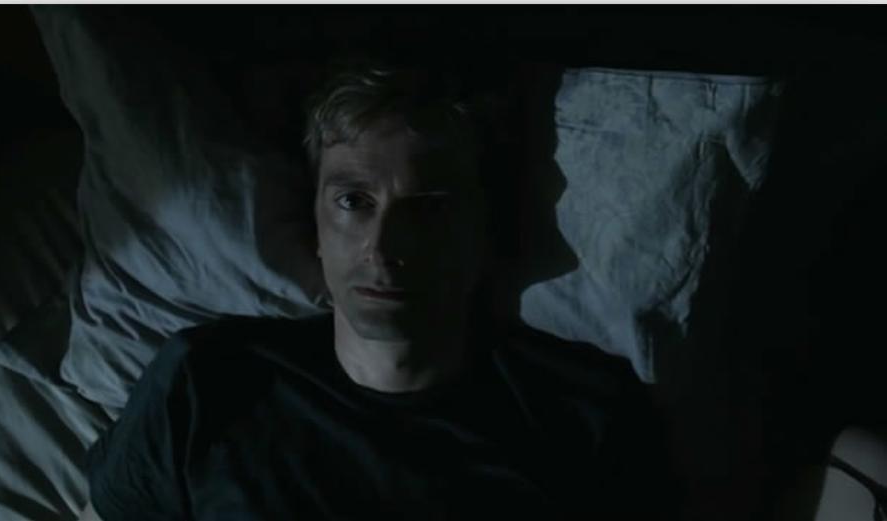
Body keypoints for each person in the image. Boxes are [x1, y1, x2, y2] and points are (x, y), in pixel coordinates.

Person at [78, 61, 674, 521]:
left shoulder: (585, 414)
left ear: (484, 229)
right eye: (353, 201)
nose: (384, 247)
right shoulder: (205, 381)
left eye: (429, 208)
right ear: (314, 223)